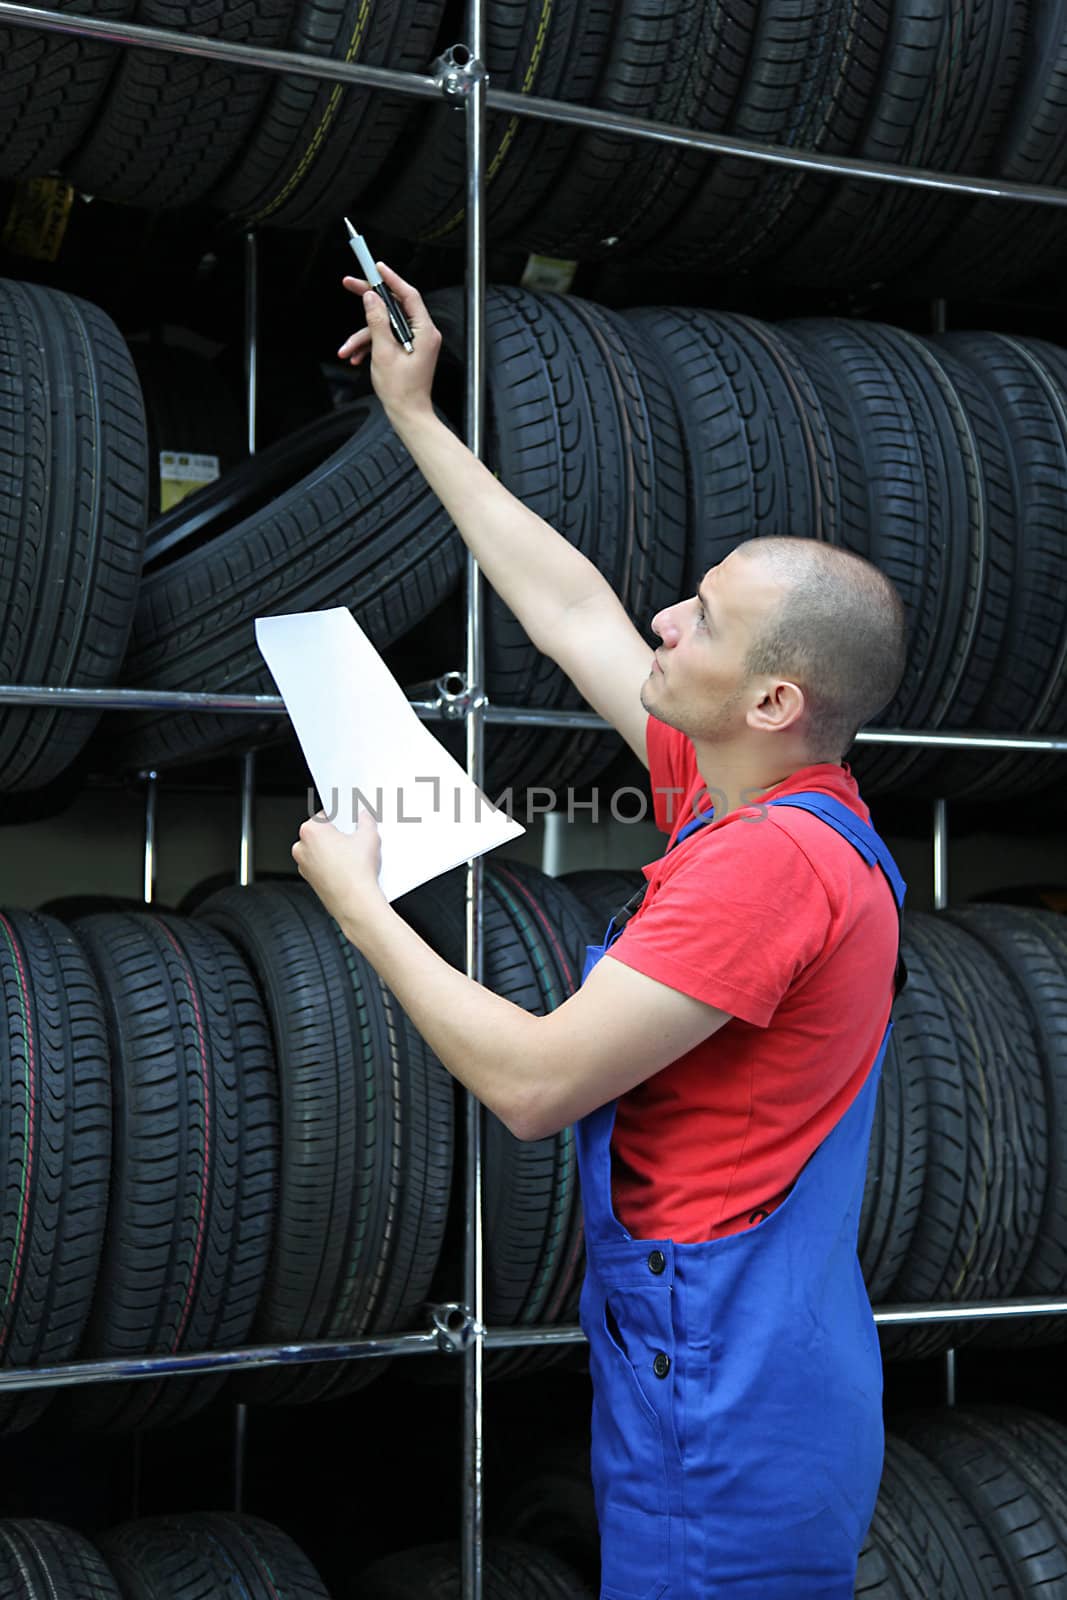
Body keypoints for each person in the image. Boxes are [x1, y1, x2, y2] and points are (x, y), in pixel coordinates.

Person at [291, 264, 910, 1600]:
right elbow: (569, 605)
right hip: (736, 1355)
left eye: (703, 622)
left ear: (772, 698)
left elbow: (532, 1083)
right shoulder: (763, 790)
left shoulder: (767, 870)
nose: (666, 623)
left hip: (727, 1406)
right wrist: (415, 412)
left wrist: (359, 906)